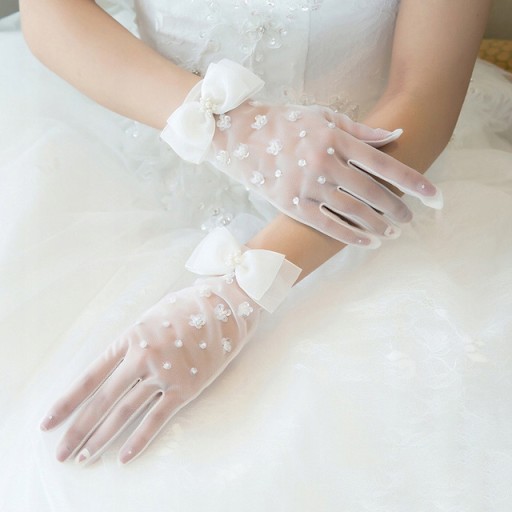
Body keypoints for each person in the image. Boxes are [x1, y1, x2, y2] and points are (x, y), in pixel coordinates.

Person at [0, 0, 511, 510]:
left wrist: (240, 290)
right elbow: (51, 11)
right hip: (138, 171)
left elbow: (421, 95)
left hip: (358, 214)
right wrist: (231, 128)